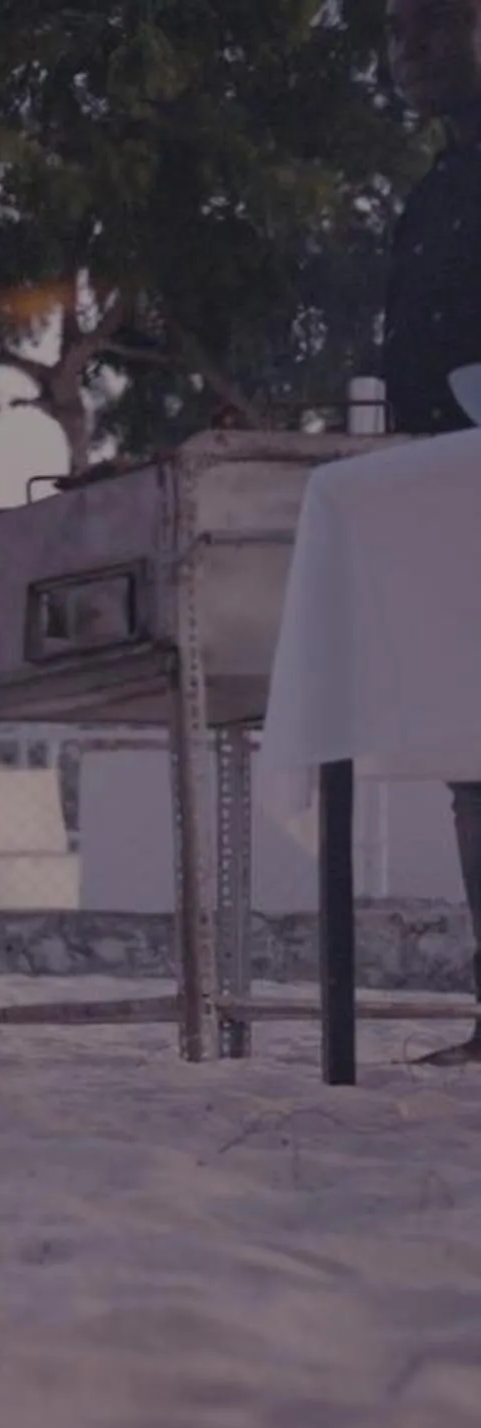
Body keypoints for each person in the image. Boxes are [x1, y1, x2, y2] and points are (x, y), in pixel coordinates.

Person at [386, 0, 481, 1061]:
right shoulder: (431, 196)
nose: (406, 50)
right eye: (392, 30)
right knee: (475, 753)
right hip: (446, 504)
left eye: (431, 25)